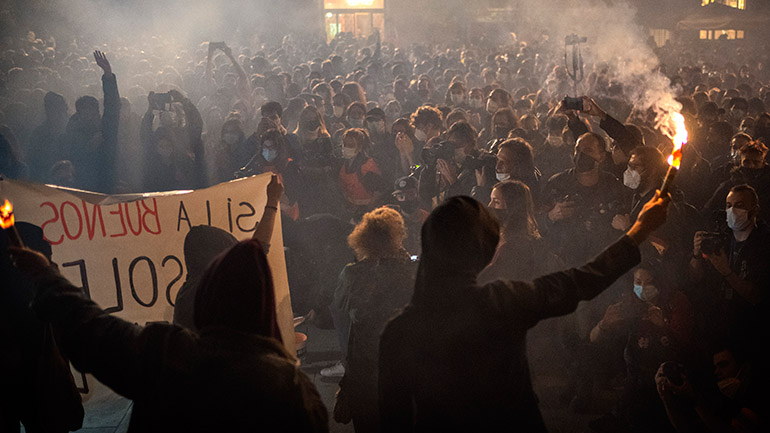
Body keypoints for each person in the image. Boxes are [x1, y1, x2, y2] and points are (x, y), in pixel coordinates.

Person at [9, 202, 328, 432]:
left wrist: (44, 277)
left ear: (208, 297)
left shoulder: (170, 355)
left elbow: (95, 330)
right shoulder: (295, 389)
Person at [379, 191, 670, 432]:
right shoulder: (500, 303)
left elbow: (394, 421)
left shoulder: (399, 331)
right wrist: (639, 230)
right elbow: (582, 280)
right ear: (477, 251)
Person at [330, 208, 417, 432]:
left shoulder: (352, 274)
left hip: (364, 367)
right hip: (402, 366)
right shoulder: (410, 272)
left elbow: (338, 307)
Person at [690, 184, 770, 349]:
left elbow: (756, 295)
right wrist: (697, 254)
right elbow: (695, 277)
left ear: (754, 210)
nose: (733, 210)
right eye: (729, 206)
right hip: (719, 327)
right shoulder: (722, 240)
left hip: (753, 331)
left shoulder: (763, 243)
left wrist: (726, 271)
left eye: (739, 206)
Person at [478, 180, 558, 284]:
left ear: (512, 208)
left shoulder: (514, 248)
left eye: (496, 202)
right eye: (490, 200)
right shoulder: (496, 238)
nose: (490, 206)